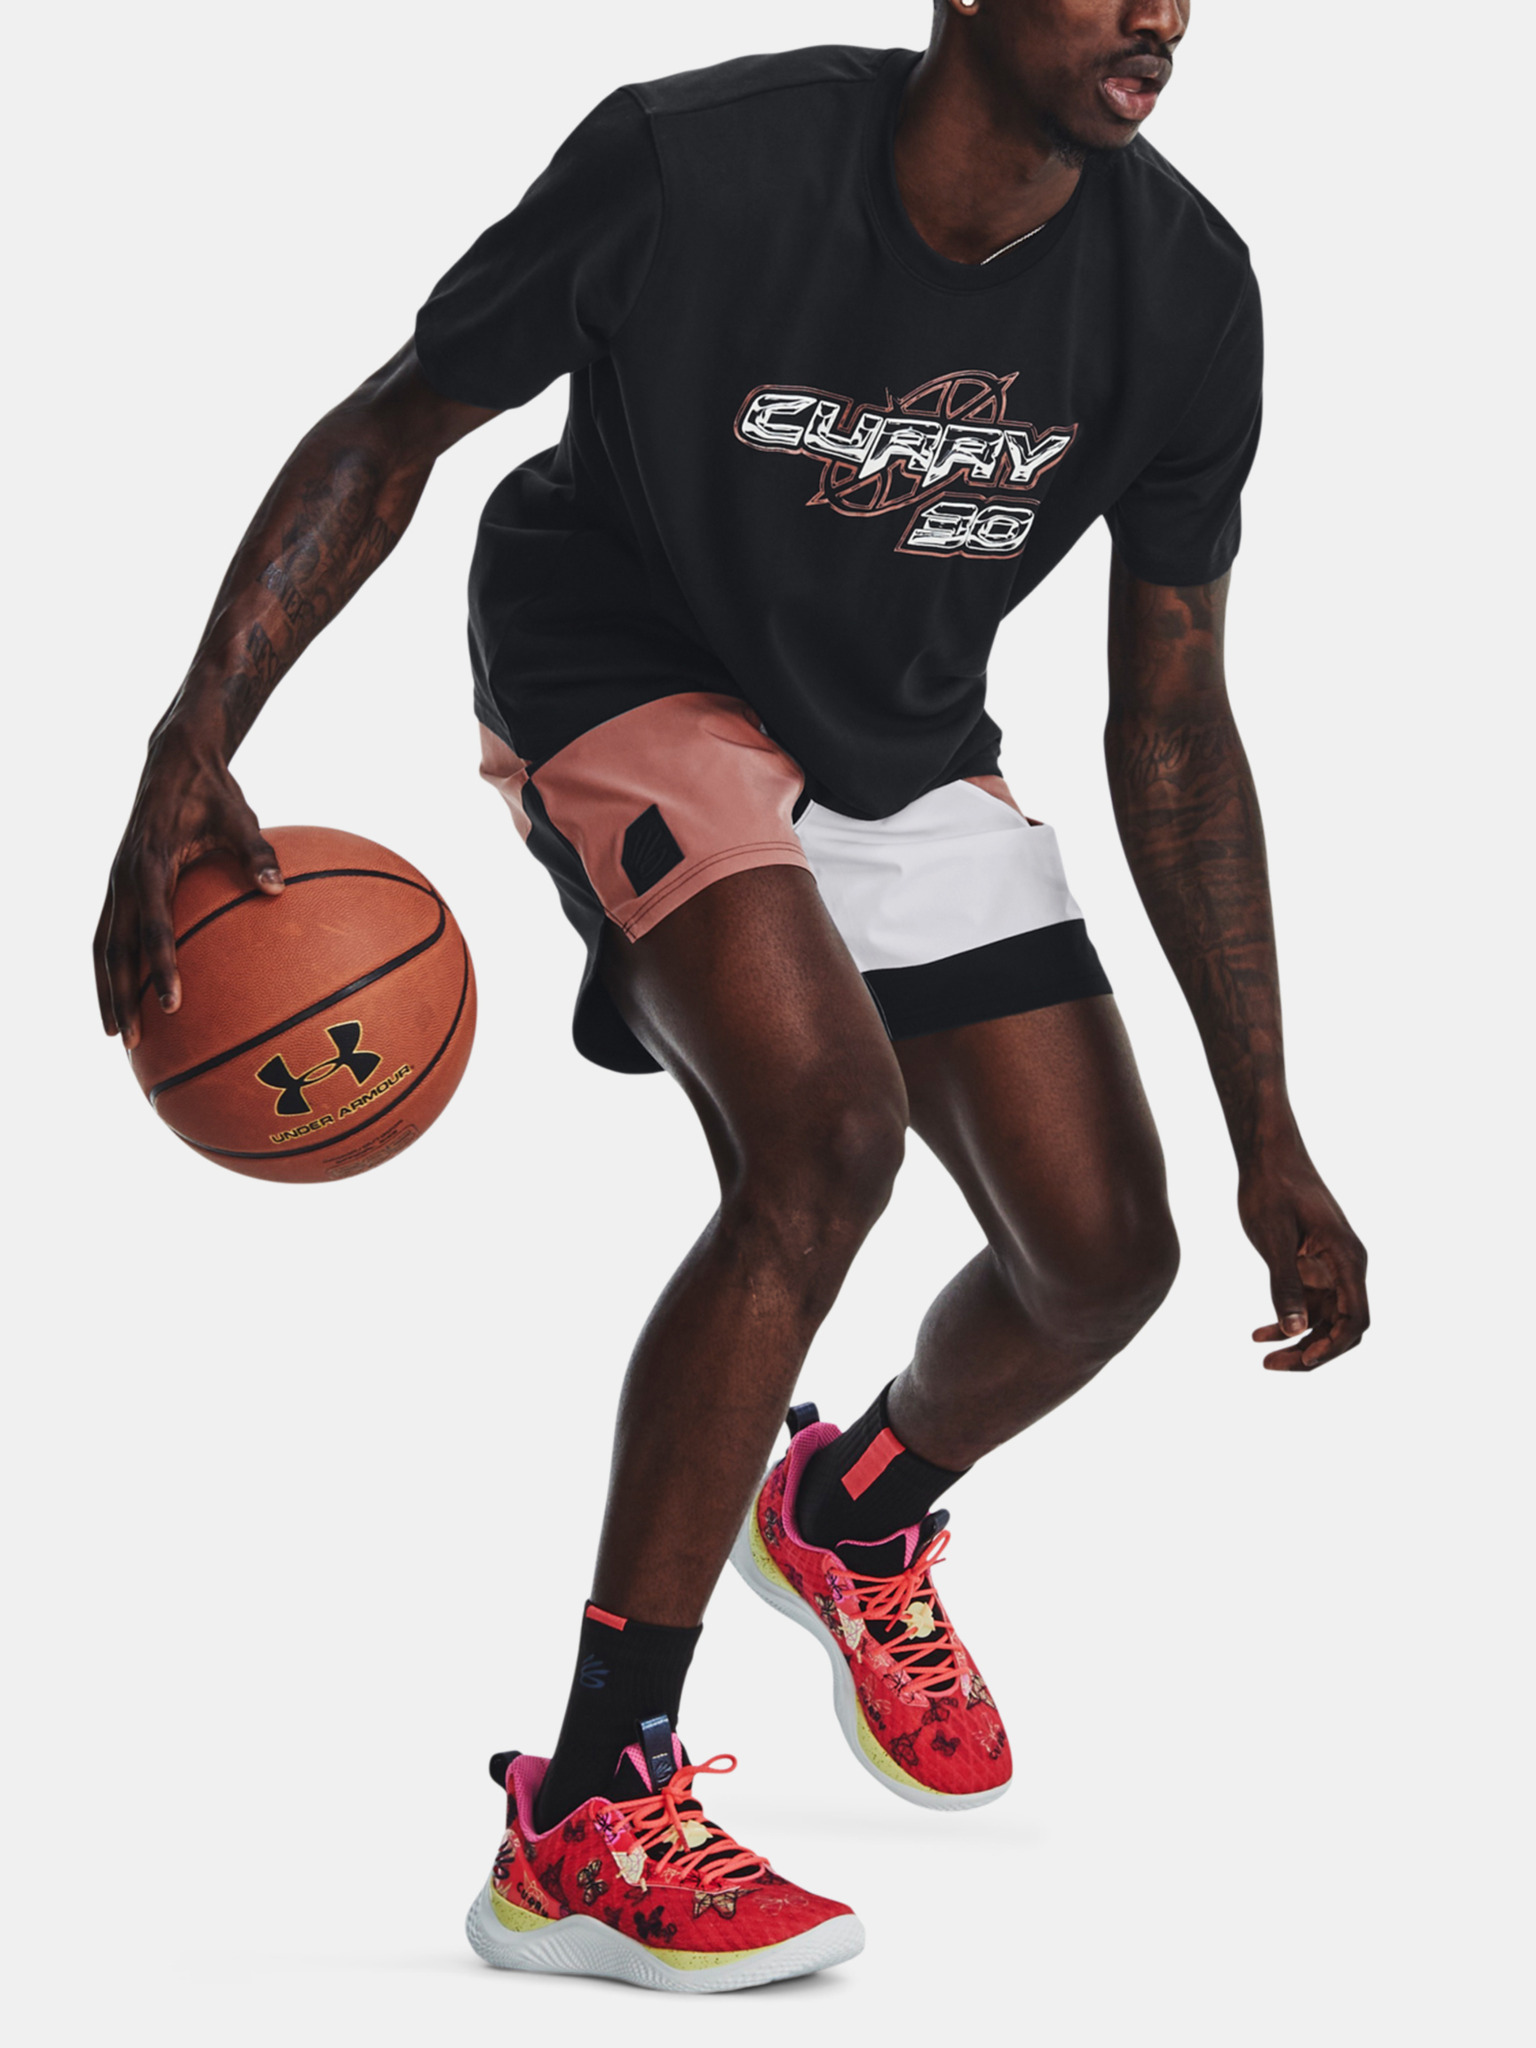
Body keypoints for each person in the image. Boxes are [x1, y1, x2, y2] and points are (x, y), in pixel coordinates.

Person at [93, 0, 1370, 1995]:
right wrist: (195, 733)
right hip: (621, 661)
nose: (1160, 13)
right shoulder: (701, 163)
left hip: (890, 731)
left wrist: (1268, 1128)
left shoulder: (1185, 290)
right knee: (827, 1141)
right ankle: (589, 1813)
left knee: (1105, 1256)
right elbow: (397, 422)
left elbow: (1176, 721)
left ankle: (853, 1511)